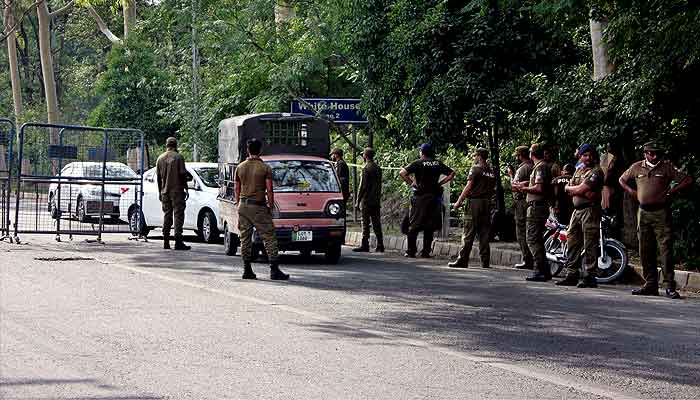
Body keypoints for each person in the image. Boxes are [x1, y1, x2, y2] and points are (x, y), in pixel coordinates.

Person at [619, 141, 693, 298]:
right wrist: (633, 192)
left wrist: (671, 192)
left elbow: (687, 179)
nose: (654, 156)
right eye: (651, 153)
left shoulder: (666, 166)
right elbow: (622, 180)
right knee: (645, 249)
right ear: (645, 153)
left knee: (665, 249)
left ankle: (669, 286)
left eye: (656, 153)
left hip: (661, 212)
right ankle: (650, 284)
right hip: (643, 213)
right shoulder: (637, 166)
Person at [235, 138, 289, 281]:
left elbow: (237, 188)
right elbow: (270, 190)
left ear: (248, 150)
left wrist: (238, 204)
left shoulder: (240, 167)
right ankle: (274, 269)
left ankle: (247, 269)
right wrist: (270, 206)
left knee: (245, 238)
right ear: (260, 150)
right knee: (269, 236)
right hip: (258, 206)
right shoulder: (265, 168)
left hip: (243, 205)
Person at [556, 144, 603, 288]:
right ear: (580, 156)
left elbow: (584, 189)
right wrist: (575, 189)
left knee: (590, 242)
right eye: (585, 155)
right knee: (572, 242)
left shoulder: (596, 172)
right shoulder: (578, 170)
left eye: (590, 155)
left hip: (590, 210)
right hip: (576, 211)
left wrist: (576, 189)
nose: (588, 158)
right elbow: (569, 187)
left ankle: (590, 275)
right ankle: (572, 273)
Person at [399, 143, 455, 258]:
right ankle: (426, 252)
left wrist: (412, 183)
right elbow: (452, 173)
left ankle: (411, 251)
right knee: (429, 226)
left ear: (422, 153)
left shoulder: (418, 163)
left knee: (414, 225)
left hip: (420, 198)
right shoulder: (437, 163)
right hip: (433, 198)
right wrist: (440, 183)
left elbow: (402, 173)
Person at [448, 148, 496, 269]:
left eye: (475, 156)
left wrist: (459, 201)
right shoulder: (491, 172)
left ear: (479, 156)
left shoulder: (475, 169)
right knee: (484, 233)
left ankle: (463, 260)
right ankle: (485, 261)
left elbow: (469, 186)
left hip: (474, 203)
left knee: (468, 231)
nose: (474, 158)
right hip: (487, 203)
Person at [512, 143, 552, 282]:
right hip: (538, 206)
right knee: (537, 239)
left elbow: (539, 188)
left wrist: (525, 189)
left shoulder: (540, 167)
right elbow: (535, 184)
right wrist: (524, 185)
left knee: (532, 238)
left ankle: (539, 269)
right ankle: (544, 270)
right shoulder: (539, 166)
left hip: (536, 207)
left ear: (531, 154)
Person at [156, 137, 191, 251]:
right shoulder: (178, 157)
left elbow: (158, 178)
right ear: (176, 145)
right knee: (178, 215)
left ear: (166, 145)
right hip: (177, 191)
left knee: (167, 215)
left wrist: (160, 192)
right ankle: (178, 241)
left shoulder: (160, 159)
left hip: (165, 191)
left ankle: (166, 241)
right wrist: (186, 187)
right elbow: (182, 174)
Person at [353, 148, 384, 253]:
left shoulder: (366, 168)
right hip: (375, 199)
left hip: (367, 200)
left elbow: (363, 186)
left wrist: (357, 201)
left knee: (365, 223)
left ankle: (364, 244)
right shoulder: (378, 168)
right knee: (376, 222)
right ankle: (380, 244)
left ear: (365, 156)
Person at [508, 146, 534, 269]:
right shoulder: (533, 166)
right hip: (530, 201)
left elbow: (514, 187)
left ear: (520, 156)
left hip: (521, 202)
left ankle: (527, 258)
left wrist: (511, 175)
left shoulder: (522, 169)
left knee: (521, 231)